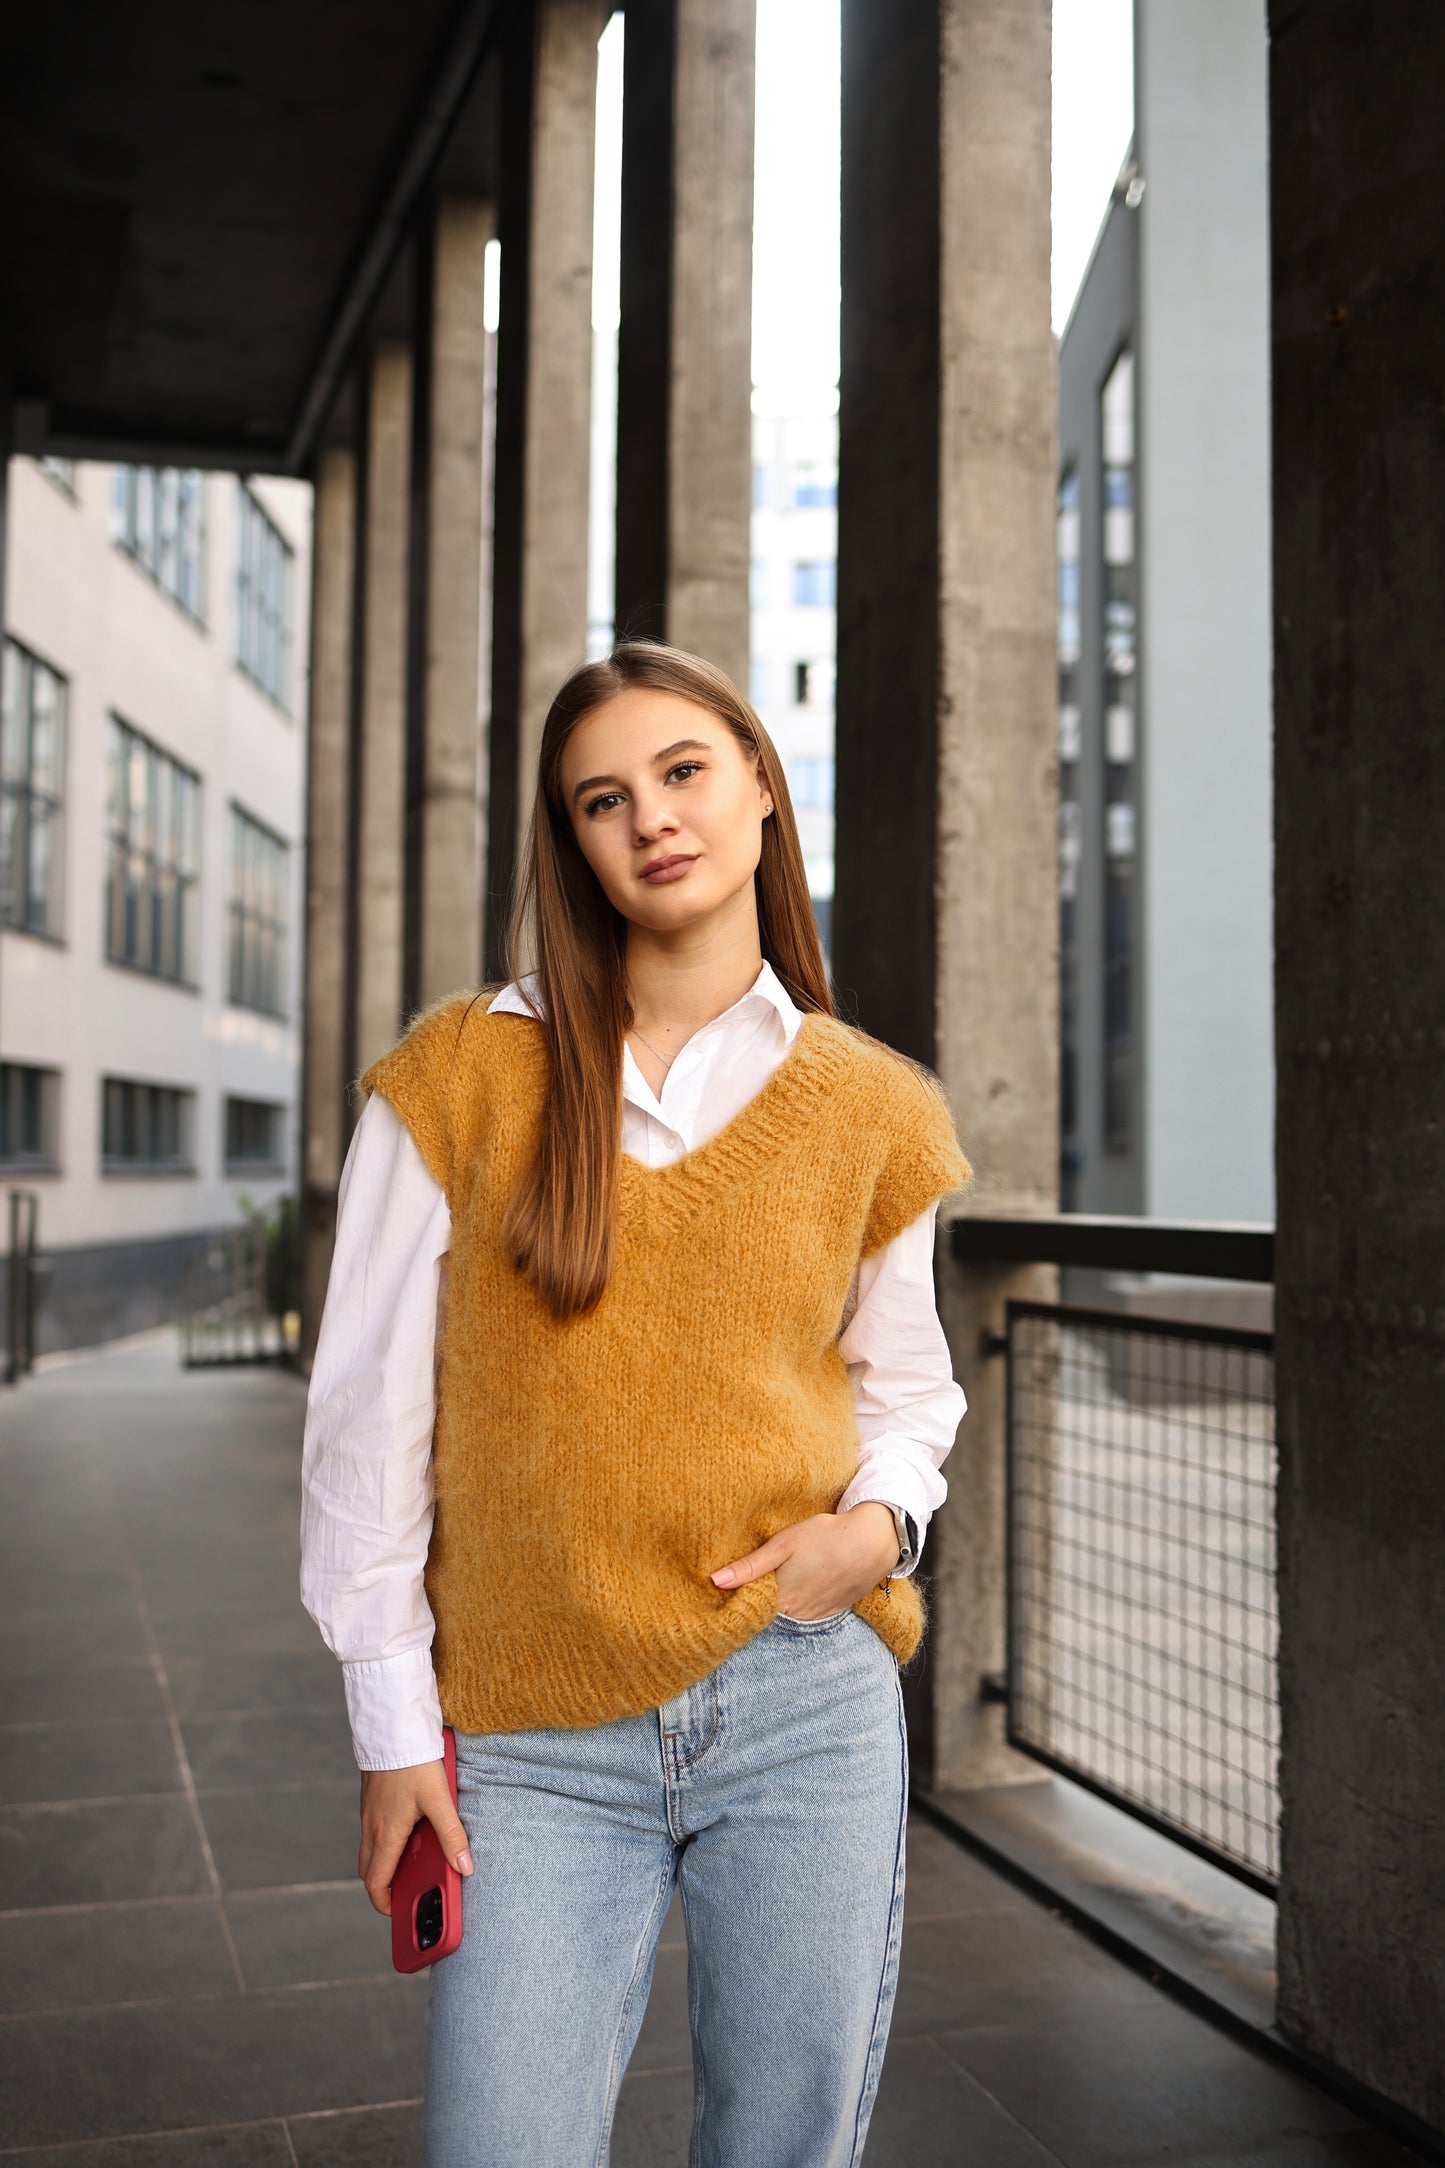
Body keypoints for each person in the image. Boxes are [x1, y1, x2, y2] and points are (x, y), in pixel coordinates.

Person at [300, 641, 970, 2167]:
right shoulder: (463, 1075)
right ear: (573, 843)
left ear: (756, 786)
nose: (650, 819)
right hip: (531, 1738)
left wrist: (878, 1531)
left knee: (780, 2146)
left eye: (680, 773)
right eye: (602, 800)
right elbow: (363, 1436)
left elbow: (909, 1389)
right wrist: (393, 1732)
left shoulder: (875, 1105)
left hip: (804, 1705)